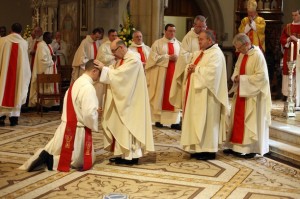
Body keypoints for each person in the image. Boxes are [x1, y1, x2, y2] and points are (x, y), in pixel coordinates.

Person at [19, 59, 102, 172]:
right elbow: (88, 113)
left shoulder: (77, 82)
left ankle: (44, 155)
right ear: (94, 71)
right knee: (81, 160)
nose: (99, 76)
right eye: (99, 72)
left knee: (55, 150)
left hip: (65, 126)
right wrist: (96, 113)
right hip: (77, 130)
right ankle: (50, 160)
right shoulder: (88, 87)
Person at [97, 39, 154, 165]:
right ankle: (121, 154)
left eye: (114, 51)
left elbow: (120, 76)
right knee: (119, 126)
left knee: (128, 126)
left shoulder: (133, 60)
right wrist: (105, 69)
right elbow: (115, 72)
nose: (113, 54)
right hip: (123, 99)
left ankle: (131, 156)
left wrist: (105, 69)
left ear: (122, 47)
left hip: (131, 103)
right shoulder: (121, 60)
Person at [181, 30, 229, 160]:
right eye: (199, 39)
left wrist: (195, 69)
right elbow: (191, 66)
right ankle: (197, 148)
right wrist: (190, 68)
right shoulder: (200, 53)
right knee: (196, 121)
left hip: (208, 97)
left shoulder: (216, 55)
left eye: (201, 39)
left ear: (210, 40)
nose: (199, 41)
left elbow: (212, 74)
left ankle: (208, 150)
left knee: (207, 123)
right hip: (196, 95)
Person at [223, 33, 272, 159]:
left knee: (250, 122)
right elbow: (236, 70)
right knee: (238, 120)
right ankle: (237, 147)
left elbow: (262, 77)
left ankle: (251, 149)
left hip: (253, 96)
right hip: (241, 92)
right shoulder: (242, 55)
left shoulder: (257, 55)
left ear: (246, 44)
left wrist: (243, 79)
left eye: (239, 47)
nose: (237, 50)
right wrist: (235, 78)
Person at [145, 24, 182, 130]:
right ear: (165, 31)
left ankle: (175, 121)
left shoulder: (179, 44)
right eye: (170, 31)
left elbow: (183, 58)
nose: (172, 33)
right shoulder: (158, 43)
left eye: (174, 31)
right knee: (160, 95)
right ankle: (159, 120)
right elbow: (152, 59)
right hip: (161, 76)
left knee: (174, 95)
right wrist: (168, 58)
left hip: (174, 75)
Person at [170, 15, 207, 109]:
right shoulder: (188, 37)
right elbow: (183, 56)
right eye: (200, 26)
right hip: (191, 71)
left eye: (204, 26)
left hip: (203, 72)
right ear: (194, 25)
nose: (202, 29)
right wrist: (197, 55)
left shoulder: (207, 36)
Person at [0, 23, 31, 126]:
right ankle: (14, 119)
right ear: (21, 31)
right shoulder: (24, 43)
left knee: (3, 90)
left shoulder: (2, 41)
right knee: (17, 91)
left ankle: (1, 118)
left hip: (4, 76)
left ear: (10, 29)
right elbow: (26, 64)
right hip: (18, 76)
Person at [72, 27, 104, 107]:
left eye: (99, 37)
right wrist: (90, 64)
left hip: (95, 69)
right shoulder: (85, 42)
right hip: (86, 69)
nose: (97, 39)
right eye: (96, 37)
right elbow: (81, 57)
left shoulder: (97, 42)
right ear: (92, 34)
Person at [28, 32, 58, 108]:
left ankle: (48, 104)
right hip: (44, 71)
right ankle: (43, 104)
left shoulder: (48, 46)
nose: (51, 39)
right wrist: (52, 60)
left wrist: (53, 58)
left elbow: (51, 56)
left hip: (50, 69)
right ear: (45, 38)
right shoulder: (42, 46)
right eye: (49, 37)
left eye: (51, 37)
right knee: (43, 87)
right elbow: (42, 61)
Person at [280, 9, 300, 101]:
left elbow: (297, 40)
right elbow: (282, 39)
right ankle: (289, 96)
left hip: (298, 55)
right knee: (289, 73)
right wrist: (288, 39)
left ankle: (297, 97)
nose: (294, 17)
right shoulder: (287, 27)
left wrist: (296, 40)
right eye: (293, 15)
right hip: (289, 55)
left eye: (295, 15)